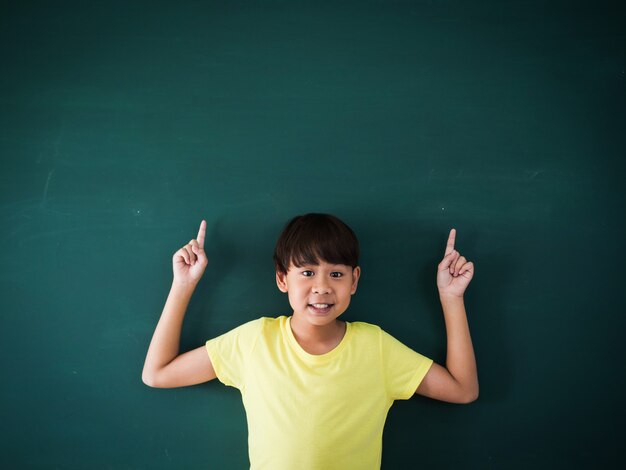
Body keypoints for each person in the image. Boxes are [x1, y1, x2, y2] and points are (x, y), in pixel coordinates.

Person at [142, 213, 478, 469]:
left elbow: (462, 389)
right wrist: (183, 284)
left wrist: (451, 297)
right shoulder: (255, 340)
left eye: (336, 273)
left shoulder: (376, 348)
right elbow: (158, 374)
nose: (321, 287)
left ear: (354, 280)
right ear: (281, 279)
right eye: (306, 272)